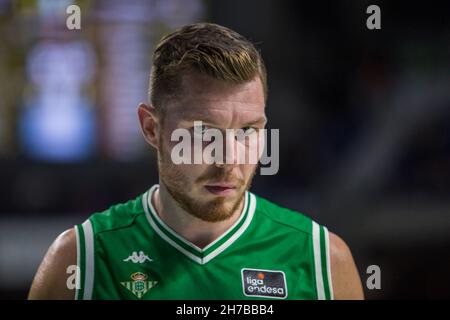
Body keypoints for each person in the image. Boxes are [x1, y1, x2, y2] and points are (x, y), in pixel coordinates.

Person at [28, 22, 364, 300]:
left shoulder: (323, 262)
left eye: (248, 131)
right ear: (151, 128)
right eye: (203, 133)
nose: (229, 159)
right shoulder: (80, 262)